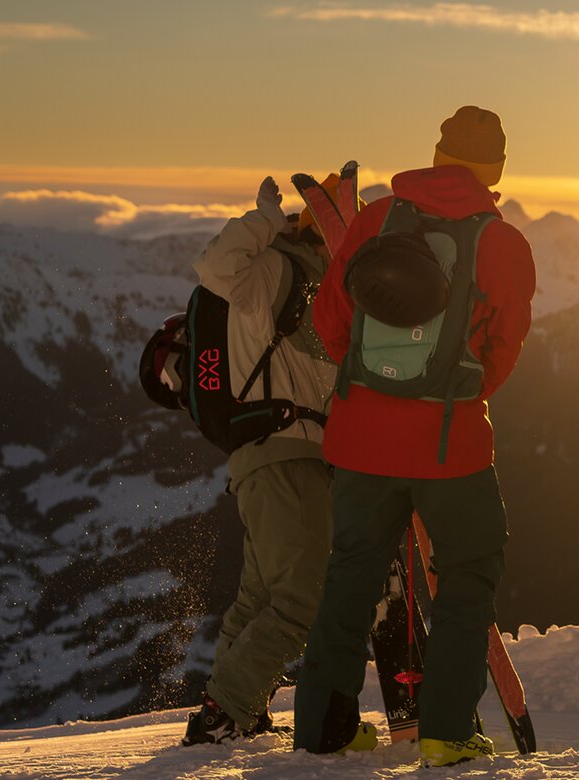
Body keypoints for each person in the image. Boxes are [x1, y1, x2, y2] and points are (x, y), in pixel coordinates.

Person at [293, 106, 536, 768]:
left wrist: (375, 388)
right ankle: (446, 729)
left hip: (361, 438)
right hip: (448, 445)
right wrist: (451, 394)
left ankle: (324, 727)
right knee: (466, 571)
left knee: (351, 576)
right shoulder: (501, 242)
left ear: (436, 154)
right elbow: (503, 347)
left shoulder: (377, 220)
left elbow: (330, 319)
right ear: (497, 170)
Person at [181, 176, 342, 746]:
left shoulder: (319, 284)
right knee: (302, 600)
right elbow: (216, 267)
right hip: (284, 458)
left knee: (260, 598)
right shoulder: (280, 271)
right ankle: (225, 710)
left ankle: (236, 711)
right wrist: (265, 220)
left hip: (271, 461)